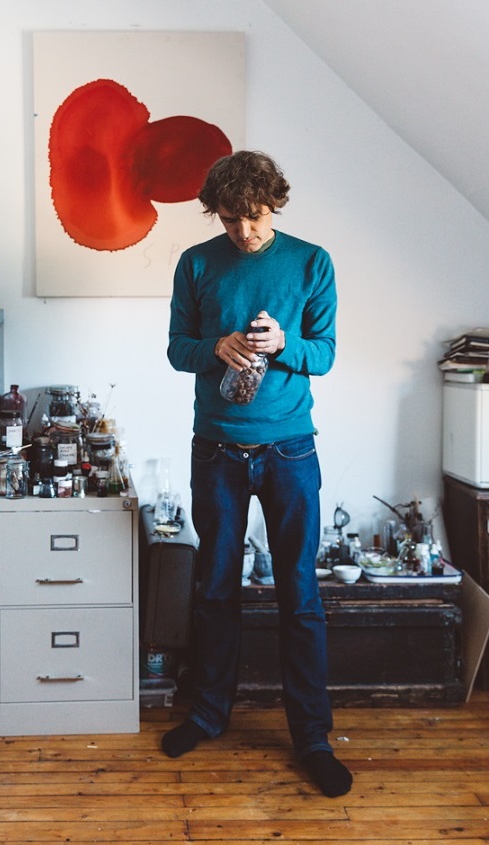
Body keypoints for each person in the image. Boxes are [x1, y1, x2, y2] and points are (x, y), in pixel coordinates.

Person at [162, 150, 352, 798]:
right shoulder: (196, 262)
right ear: (215, 211)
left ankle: (313, 738)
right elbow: (175, 348)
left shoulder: (311, 261)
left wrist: (283, 346)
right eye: (231, 218)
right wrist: (213, 345)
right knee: (215, 588)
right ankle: (208, 714)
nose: (244, 231)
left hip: (290, 450)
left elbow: (323, 352)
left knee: (300, 595)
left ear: (275, 203)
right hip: (215, 448)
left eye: (256, 216)